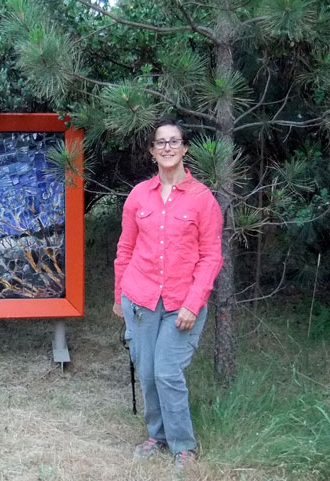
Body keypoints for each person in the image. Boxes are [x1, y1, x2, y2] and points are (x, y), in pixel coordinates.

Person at [112, 118, 223, 469]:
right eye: (161, 142)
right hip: (140, 298)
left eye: (174, 141)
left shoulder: (203, 199)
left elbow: (211, 257)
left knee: (167, 371)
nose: (168, 147)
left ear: (185, 148)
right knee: (146, 372)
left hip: (182, 303)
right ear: (152, 151)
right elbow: (125, 248)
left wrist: (194, 303)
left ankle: (183, 446)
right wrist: (119, 297)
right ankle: (156, 436)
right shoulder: (138, 196)